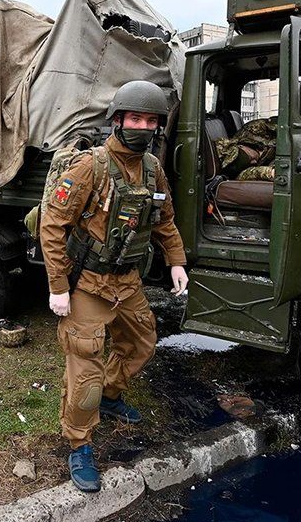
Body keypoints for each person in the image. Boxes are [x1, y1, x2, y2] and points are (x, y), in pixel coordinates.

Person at [38, 80, 189, 492]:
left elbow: (164, 220)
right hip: (88, 283)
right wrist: (58, 286)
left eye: (151, 120)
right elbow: (53, 224)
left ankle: (111, 393)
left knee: (141, 343)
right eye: (135, 118)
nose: (143, 126)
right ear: (118, 120)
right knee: (84, 368)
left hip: (127, 281)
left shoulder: (153, 169)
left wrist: (176, 261)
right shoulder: (92, 167)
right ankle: (79, 443)